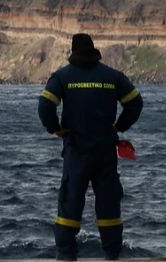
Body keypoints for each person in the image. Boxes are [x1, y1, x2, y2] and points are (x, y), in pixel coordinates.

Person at [38, 33, 143, 261]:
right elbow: (135, 102)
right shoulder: (112, 76)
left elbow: (45, 105)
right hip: (105, 150)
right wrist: (119, 126)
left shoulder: (63, 77)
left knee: (71, 200)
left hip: (76, 149)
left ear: (73, 51)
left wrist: (55, 128)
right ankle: (112, 254)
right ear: (93, 50)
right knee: (108, 203)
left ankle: (66, 255)